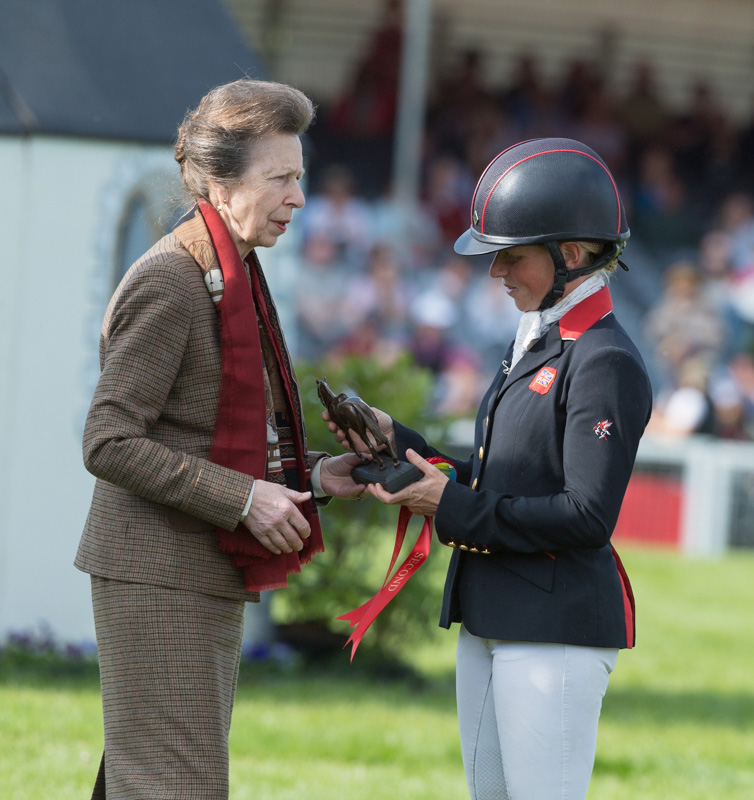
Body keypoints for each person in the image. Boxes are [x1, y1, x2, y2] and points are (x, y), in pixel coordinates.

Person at [326, 138, 653, 800]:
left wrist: (444, 504)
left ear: (570, 255)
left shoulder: (604, 360)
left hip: (553, 628)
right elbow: (500, 473)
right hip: (491, 614)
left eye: (513, 254)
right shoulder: (535, 339)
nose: (497, 270)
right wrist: (398, 443)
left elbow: (586, 515)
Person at [75, 79, 366, 800]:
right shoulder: (174, 280)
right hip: (157, 573)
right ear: (221, 184)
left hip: (189, 571)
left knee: (159, 778)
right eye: (281, 179)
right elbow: (108, 440)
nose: (300, 197)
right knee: (175, 784)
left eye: (298, 176)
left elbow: (212, 432)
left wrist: (314, 476)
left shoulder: (229, 268)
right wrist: (243, 500)